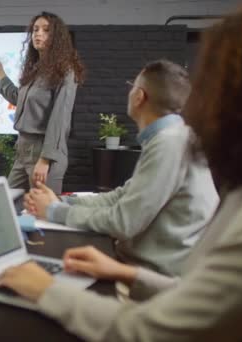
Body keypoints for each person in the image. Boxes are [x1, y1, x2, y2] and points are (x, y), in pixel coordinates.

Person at [0, 1, 242, 340]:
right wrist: (125, 272)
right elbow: (191, 291)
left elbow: (152, 327)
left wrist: (46, 288)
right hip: (150, 278)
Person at [24, 60, 218, 276]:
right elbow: (120, 196)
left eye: (131, 86)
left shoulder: (169, 144)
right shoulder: (173, 137)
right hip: (141, 264)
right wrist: (61, 201)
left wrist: (53, 211)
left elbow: (123, 221)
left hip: (152, 276)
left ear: (139, 97)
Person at [0, 11, 84, 194]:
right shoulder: (35, 69)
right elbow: (19, 100)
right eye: (35, 29)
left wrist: (45, 159)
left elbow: (60, 118)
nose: (38, 34)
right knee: (9, 201)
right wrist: (0, 74)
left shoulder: (65, 71)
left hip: (44, 151)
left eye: (46, 30)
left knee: (42, 213)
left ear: (57, 37)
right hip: (23, 149)